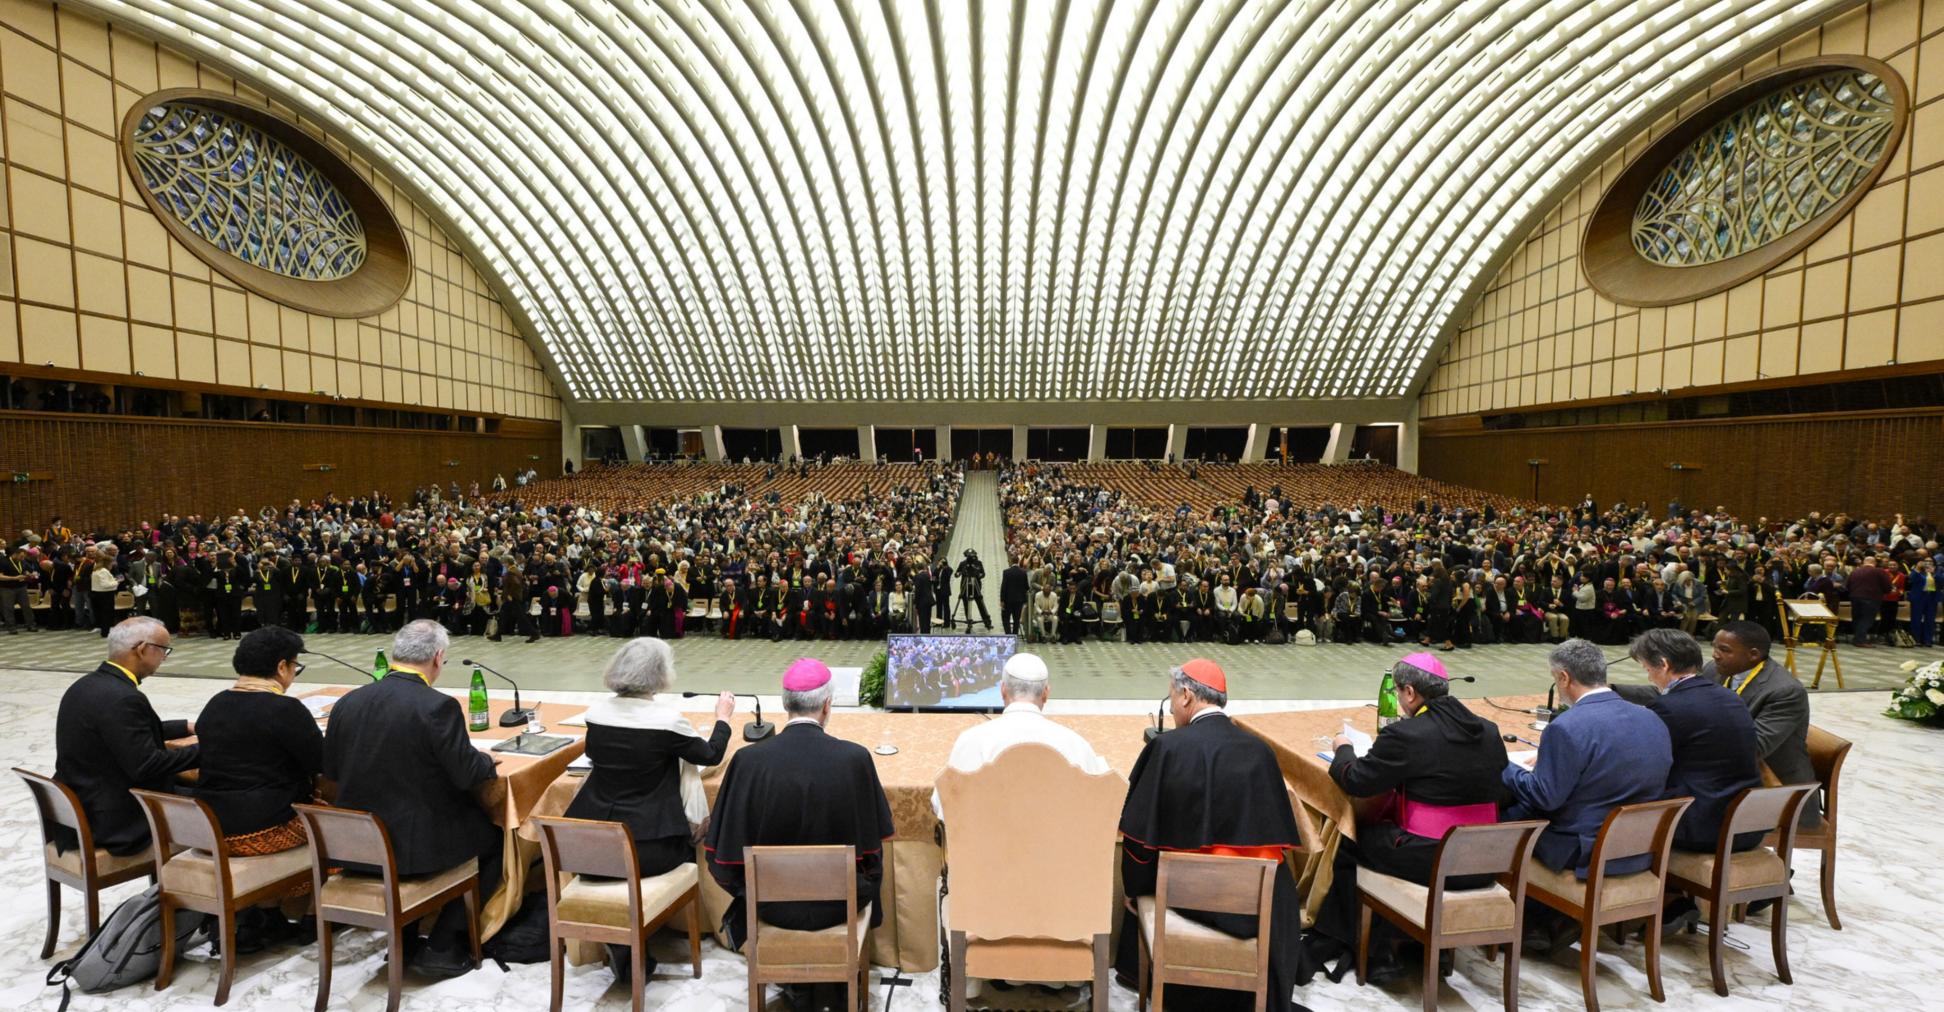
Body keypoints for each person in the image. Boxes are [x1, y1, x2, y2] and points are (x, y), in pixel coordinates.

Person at [1115, 659, 1309, 1011]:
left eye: (1173, 697)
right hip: (1262, 908)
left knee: (1145, 883)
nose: (1173, 707)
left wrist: (1134, 889)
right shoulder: (1261, 751)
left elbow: (1139, 843)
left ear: (1187, 696)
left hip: (1194, 900)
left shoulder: (1167, 748)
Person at [1306, 653, 1509, 981]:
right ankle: (1424, 946)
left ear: (1411, 692)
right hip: (1485, 860)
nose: (1399, 700)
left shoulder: (1408, 734)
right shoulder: (1488, 729)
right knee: (1392, 835)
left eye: (1399, 693)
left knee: (1353, 837)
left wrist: (1343, 747)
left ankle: (1376, 951)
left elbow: (1356, 779)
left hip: (1437, 858)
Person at [322, 620, 502, 978]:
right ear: (438, 658)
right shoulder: (437, 706)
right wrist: (485, 759)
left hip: (356, 846)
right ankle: (444, 944)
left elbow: (331, 771)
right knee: (494, 836)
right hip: (411, 850)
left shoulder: (348, 701)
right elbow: (467, 774)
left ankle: (404, 939)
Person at [704, 658, 895, 969]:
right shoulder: (854, 759)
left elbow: (721, 857)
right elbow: (874, 852)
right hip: (841, 903)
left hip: (769, 904)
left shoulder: (747, 761)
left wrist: (750, 891)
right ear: (827, 706)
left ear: (784, 704)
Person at [566, 638, 735, 980]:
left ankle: (626, 946)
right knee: (689, 848)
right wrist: (723, 719)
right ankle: (646, 935)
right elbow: (710, 755)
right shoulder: (666, 720)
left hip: (590, 847)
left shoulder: (595, 715)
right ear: (661, 675)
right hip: (648, 848)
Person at [1501, 638, 1672, 955]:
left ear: (1563, 678)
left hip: (1585, 851)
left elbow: (1545, 797)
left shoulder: (1566, 726)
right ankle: (1548, 918)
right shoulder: (1651, 717)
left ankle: (1526, 921)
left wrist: (1507, 768)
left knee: (1504, 821)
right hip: (1639, 846)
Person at [1615, 628, 1764, 934]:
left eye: (1647, 669)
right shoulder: (1730, 697)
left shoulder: (1670, 707)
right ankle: (1671, 901)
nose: (1648, 677)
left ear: (1664, 665)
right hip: (1746, 821)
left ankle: (1660, 902)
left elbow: (1645, 766)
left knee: (1614, 811)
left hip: (1705, 827)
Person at [192, 626, 325, 946]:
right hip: (263, 831)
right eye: (295, 667)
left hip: (210, 826)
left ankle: (266, 913)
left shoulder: (215, 704)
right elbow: (322, 764)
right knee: (334, 819)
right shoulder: (285, 709)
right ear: (281, 667)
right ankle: (313, 916)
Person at [53, 616, 199, 857]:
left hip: (84, 807)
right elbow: (147, 766)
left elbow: (125, 732)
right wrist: (208, 750)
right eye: (164, 650)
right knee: (223, 806)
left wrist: (186, 726)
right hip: (118, 821)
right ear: (142, 650)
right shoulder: (123, 698)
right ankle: (197, 890)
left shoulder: (86, 685)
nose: (165, 658)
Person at [930, 653, 1108, 818]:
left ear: (1002, 690)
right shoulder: (1075, 744)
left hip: (987, 850)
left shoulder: (971, 742)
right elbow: (1099, 804)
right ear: (1046, 693)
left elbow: (943, 806)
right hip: (1057, 850)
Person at [1704, 621, 1822, 827]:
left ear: (1753, 654)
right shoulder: (1714, 670)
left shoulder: (1785, 691)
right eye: (1714, 647)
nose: (1715, 654)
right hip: (1729, 777)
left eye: (1724, 650)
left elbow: (1753, 747)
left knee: (1685, 816)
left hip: (1776, 793)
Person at [1846, 554, 1890, 646]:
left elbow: (1848, 585)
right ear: (1874, 563)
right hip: (1871, 598)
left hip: (1855, 597)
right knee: (1867, 619)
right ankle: (1860, 640)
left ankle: (1857, 638)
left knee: (1857, 618)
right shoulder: (1879, 572)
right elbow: (1887, 586)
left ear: (1864, 562)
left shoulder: (1855, 571)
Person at [0, 543, 36, 633]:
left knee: (26, 607)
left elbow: (27, 570)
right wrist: (14, 578)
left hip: (21, 587)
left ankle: (31, 625)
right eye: (21, 556)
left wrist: (28, 574)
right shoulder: (3, 561)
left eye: (23, 557)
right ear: (14, 554)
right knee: (8, 608)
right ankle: (11, 627)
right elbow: (0, 576)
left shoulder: (22, 561)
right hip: (7, 588)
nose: (22, 558)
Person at [999, 555, 1029, 636]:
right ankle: (1015, 635)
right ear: (1018, 561)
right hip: (1019, 601)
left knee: (1005, 618)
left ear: (1011, 561)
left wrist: (1002, 600)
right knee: (1016, 619)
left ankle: (1008, 634)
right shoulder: (1023, 572)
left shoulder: (1006, 572)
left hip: (1008, 600)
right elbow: (1026, 587)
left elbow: (1003, 587)